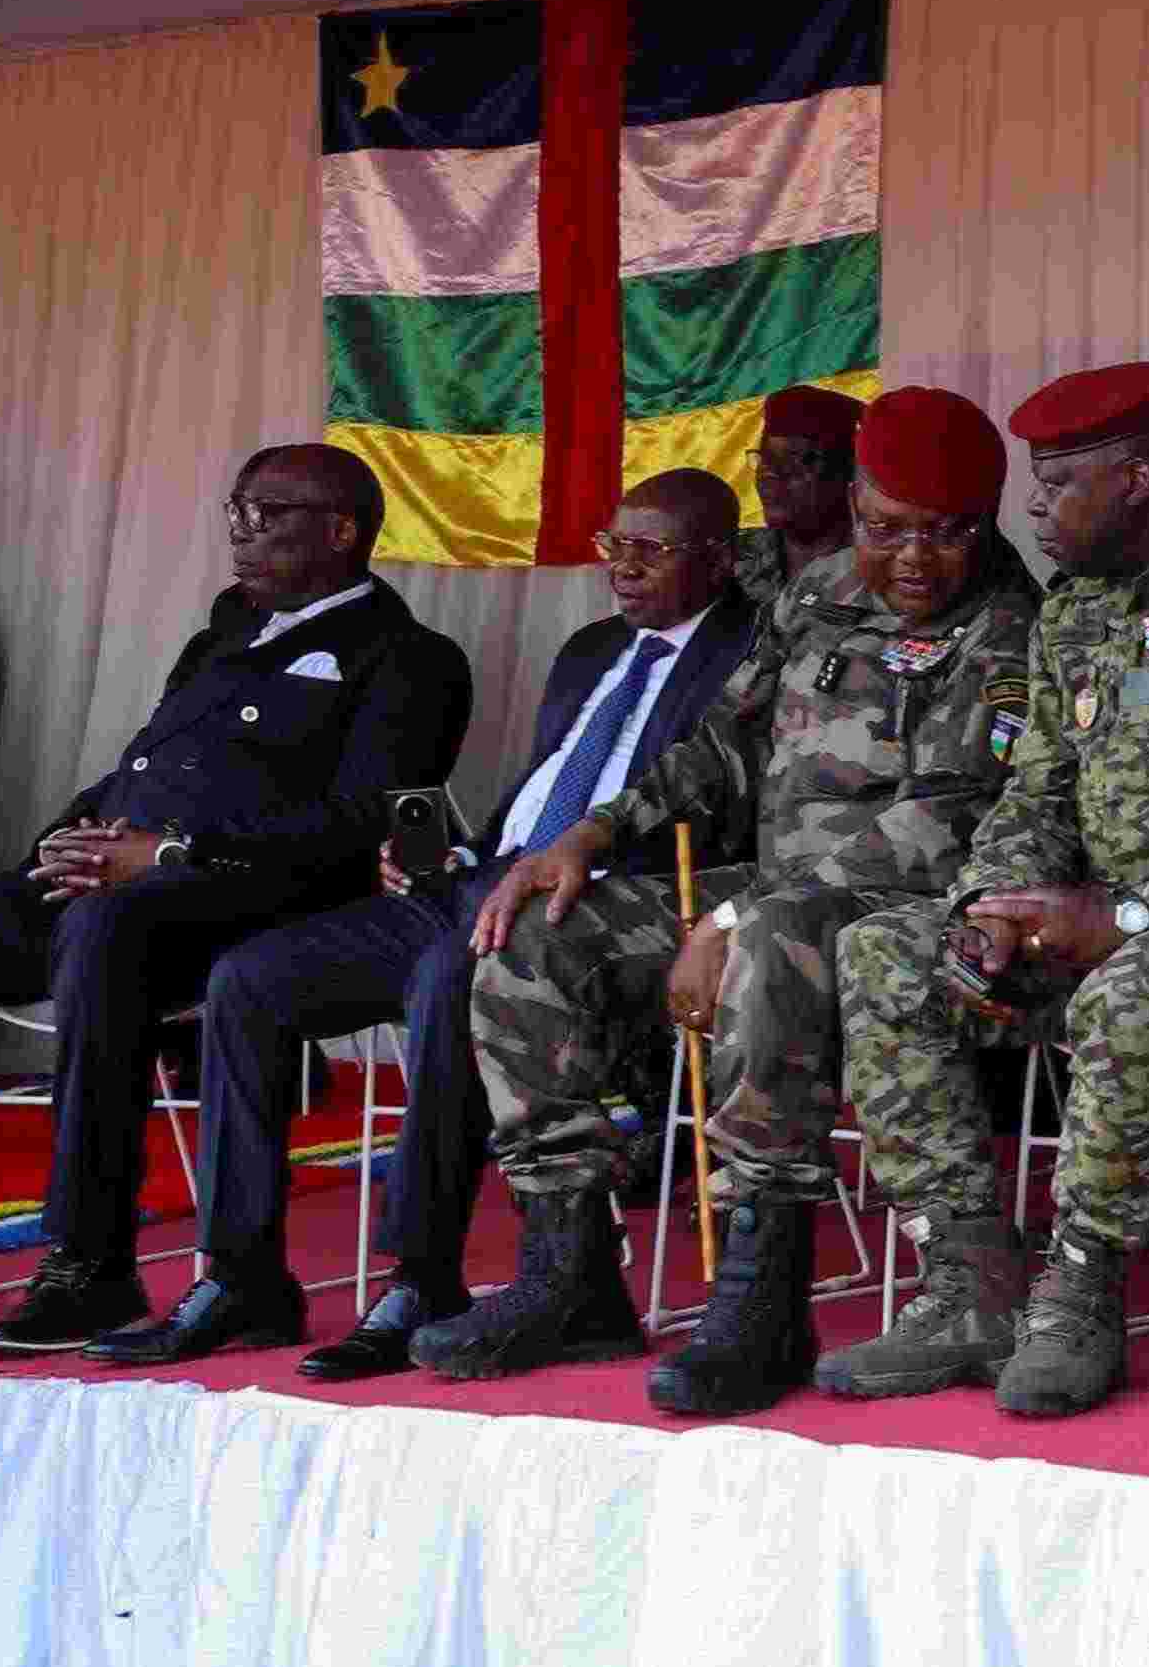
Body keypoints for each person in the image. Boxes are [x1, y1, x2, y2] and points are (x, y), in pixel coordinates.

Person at [405, 395, 1042, 1410]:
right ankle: (568, 1269)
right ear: (855, 507)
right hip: (776, 888)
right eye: (886, 529)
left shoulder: (1013, 632)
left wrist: (735, 918)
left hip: (900, 909)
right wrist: (594, 832)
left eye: (946, 532)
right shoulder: (821, 592)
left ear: (988, 518)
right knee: (537, 932)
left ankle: (763, 1298)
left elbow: (949, 831)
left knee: (772, 941)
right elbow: (722, 745)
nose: (912, 560)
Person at [0, 446, 474, 1349]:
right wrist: (66, 840)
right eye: (235, 509)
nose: (240, 530)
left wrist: (172, 853)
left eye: (268, 514)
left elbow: (355, 825)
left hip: (245, 907)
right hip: (106, 886)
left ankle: (88, 1266)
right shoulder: (223, 632)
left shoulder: (409, 658)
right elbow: (143, 767)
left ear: (342, 530)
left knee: (107, 929)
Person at [89, 471, 762, 1369]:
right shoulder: (593, 648)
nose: (623, 569)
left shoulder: (751, 651)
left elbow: (715, 805)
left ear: (718, 558)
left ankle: (421, 1273)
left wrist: (555, 865)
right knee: (247, 979)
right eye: (613, 546)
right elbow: (541, 792)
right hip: (484, 877)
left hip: (606, 900)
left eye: (651, 551)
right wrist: (451, 856)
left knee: (454, 970)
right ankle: (242, 1273)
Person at [816, 364, 1149, 1422]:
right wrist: (997, 899)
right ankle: (967, 1283)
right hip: (1084, 909)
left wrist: (1125, 916)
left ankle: (1081, 1288)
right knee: (889, 949)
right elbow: (1037, 785)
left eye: (1054, 483)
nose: (1030, 511)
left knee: (1133, 984)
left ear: (1132, 479)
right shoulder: (1072, 609)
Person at [728, 386, 863, 610]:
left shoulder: (881, 568)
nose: (770, 472)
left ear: (847, 471)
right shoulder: (729, 558)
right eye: (764, 458)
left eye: (795, 459)